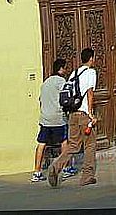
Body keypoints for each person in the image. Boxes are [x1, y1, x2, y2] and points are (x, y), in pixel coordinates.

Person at [48, 48, 98, 188]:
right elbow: (90, 93)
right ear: (91, 58)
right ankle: (87, 176)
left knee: (73, 145)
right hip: (83, 115)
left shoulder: (73, 74)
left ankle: (56, 167)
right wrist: (91, 114)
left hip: (72, 115)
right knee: (90, 145)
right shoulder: (90, 72)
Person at [31, 58, 76, 182]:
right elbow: (66, 97)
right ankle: (66, 168)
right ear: (60, 69)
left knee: (41, 143)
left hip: (45, 118)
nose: (66, 70)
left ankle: (37, 171)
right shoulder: (61, 81)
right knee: (64, 142)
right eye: (65, 68)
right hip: (58, 118)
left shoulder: (46, 82)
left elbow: (40, 99)